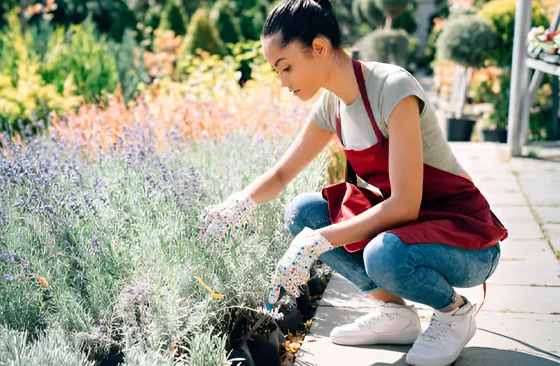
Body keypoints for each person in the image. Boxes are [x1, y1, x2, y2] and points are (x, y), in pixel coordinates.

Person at [200, 0, 508, 365]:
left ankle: (454, 313)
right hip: (411, 231)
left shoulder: (392, 89)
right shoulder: (331, 106)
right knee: (304, 213)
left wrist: (319, 242)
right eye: (276, 71)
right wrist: (238, 203)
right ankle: (395, 314)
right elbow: (283, 174)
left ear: (318, 47)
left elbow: (406, 204)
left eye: (286, 68)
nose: (282, 81)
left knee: (382, 253)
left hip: (467, 240)